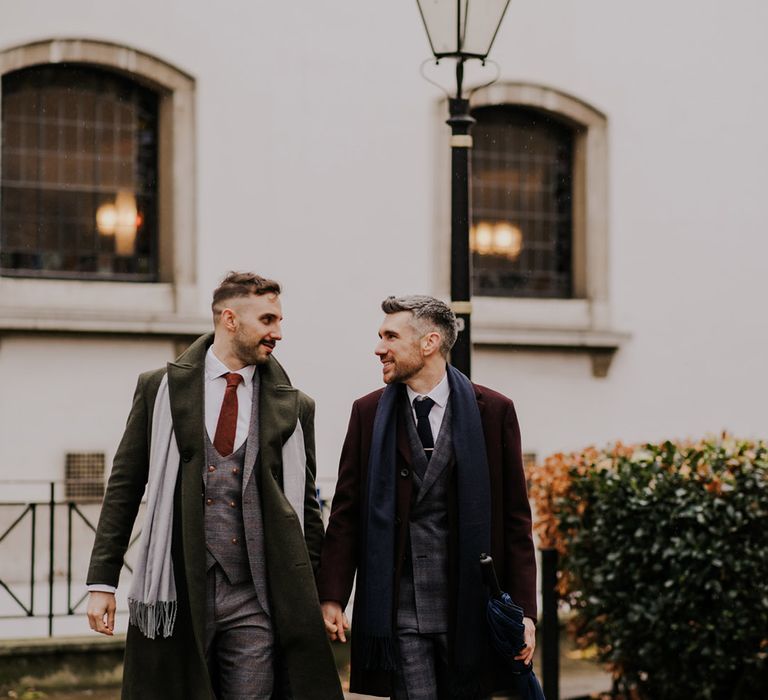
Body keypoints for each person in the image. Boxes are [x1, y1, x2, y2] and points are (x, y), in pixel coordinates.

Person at [86, 272, 343, 700]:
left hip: (257, 595)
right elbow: (125, 486)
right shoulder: (161, 390)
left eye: (279, 320)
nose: (277, 333)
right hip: (181, 590)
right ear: (229, 319)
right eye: (267, 320)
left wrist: (319, 593)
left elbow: (305, 508)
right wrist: (102, 583)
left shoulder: (295, 406)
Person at [317, 295, 537, 699]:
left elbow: (515, 520)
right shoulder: (367, 413)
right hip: (399, 611)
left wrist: (525, 613)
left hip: (470, 610)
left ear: (429, 343)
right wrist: (332, 595)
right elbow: (346, 513)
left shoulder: (494, 411)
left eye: (390, 336)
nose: (379, 348)